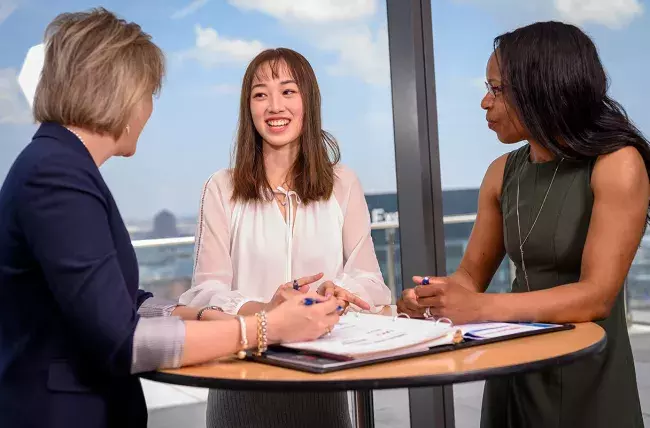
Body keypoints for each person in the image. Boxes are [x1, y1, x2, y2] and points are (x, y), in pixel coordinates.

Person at [0, 9, 341, 428]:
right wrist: (266, 328)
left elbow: (119, 305)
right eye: (147, 94)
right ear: (118, 94)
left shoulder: (59, 165)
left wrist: (204, 316)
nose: (147, 110)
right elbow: (121, 341)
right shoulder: (57, 174)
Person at [398, 21, 647, 428]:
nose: (484, 102)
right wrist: (430, 300)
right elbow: (469, 276)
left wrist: (480, 309)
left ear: (542, 90)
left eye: (496, 89)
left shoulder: (618, 164)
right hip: (514, 367)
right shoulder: (501, 172)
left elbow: (596, 296)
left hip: (586, 371)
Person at [178, 47, 392, 428]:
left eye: (288, 91)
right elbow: (205, 292)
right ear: (249, 109)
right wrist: (266, 310)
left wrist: (336, 292)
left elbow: (372, 282)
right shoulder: (220, 187)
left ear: (308, 101)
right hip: (240, 385)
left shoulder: (343, 183)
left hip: (322, 386)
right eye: (261, 94)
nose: (274, 106)